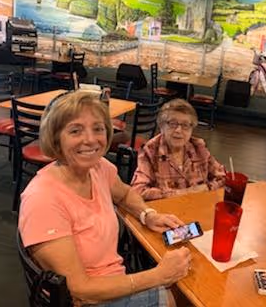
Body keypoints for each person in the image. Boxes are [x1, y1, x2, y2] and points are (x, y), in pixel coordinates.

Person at [18, 91, 192, 307]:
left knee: (190, 281)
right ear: (55, 138)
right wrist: (158, 276)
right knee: (186, 296)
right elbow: (79, 290)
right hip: (89, 299)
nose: (90, 139)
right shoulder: (43, 199)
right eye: (75, 130)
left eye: (98, 129)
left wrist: (148, 215)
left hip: (113, 280)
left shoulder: (98, 169)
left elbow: (126, 194)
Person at [131, 99, 226, 201]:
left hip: (197, 208)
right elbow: (138, 191)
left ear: (191, 129)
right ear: (162, 126)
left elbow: (223, 177)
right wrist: (184, 193)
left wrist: (207, 188)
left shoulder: (198, 147)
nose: (178, 130)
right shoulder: (150, 151)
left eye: (185, 125)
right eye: (172, 123)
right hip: (165, 212)